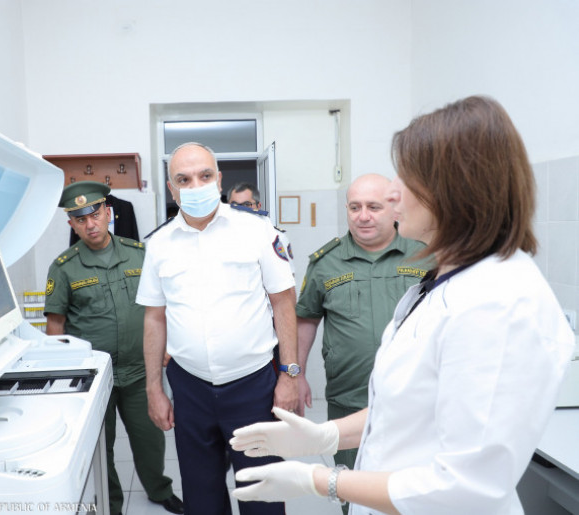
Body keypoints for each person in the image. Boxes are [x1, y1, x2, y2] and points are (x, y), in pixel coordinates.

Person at [228, 96, 574, 515]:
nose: (392, 193)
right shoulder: (448, 280)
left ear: (454, 190)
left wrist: (320, 480)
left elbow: (466, 486)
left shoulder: (497, 304)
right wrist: (327, 436)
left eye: (405, 178)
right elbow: (408, 409)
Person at [137, 142, 299, 515]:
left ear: (219, 180)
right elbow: (154, 317)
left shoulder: (256, 230)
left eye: (205, 175)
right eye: (184, 179)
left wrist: (290, 375)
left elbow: (283, 302)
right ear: (172, 189)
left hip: (253, 385)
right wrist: (153, 389)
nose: (196, 186)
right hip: (190, 387)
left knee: (263, 494)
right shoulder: (159, 244)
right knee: (202, 496)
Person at [43, 181, 183, 515]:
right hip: (94, 378)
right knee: (100, 447)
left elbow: (163, 306)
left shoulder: (139, 254)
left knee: (150, 439)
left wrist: (169, 345)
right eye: (80, 220)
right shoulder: (63, 268)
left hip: (140, 370)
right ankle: (112, 503)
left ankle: (159, 489)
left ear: (108, 213)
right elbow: (55, 326)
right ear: (72, 224)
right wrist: (61, 377)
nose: (90, 225)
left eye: (95, 215)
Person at [294, 173, 427, 488]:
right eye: (355, 207)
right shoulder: (325, 262)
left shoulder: (426, 256)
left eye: (373, 207)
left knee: (411, 491)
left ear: (394, 208)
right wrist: (297, 374)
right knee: (351, 488)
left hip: (415, 399)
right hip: (349, 397)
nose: (363, 216)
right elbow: (306, 318)